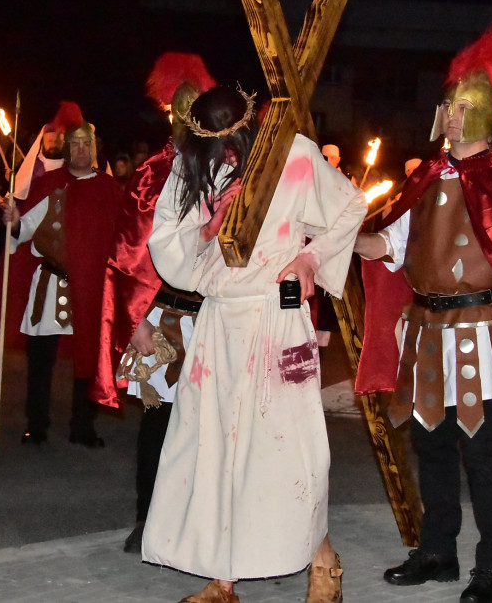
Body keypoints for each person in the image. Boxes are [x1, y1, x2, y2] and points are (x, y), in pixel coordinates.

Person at [354, 25, 492, 603]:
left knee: (483, 453)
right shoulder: (422, 177)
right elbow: (390, 248)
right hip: (425, 331)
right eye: (449, 106)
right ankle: (438, 551)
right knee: (433, 445)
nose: (451, 117)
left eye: (463, 108)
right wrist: (342, 233)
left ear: (483, 113)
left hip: (481, 332)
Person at [143, 85, 366, 603]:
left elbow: (349, 207)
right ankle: (224, 579)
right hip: (220, 323)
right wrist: (205, 230)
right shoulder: (191, 166)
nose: (225, 158)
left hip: (276, 316)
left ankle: (323, 560)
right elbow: (166, 243)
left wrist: (311, 259)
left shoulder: (294, 153)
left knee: (290, 449)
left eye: (232, 146)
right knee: (217, 448)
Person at [96, 51, 215, 553]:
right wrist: (138, 322)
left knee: (211, 424)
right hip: (163, 317)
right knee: (159, 423)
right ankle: (149, 518)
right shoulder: (151, 175)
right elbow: (128, 255)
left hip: (214, 317)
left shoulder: (227, 169)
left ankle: (204, 522)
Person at [2, 102, 119, 447]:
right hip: (50, 287)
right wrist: (12, 221)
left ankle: (83, 425)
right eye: (76, 144)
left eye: (88, 144)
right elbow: (24, 231)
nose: (81, 150)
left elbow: (121, 244)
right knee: (40, 361)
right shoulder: (51, 184)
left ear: (95, 150)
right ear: (66, 149)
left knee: (87, 359)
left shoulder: (110, 190)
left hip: (90, 288)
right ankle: (36, 423)